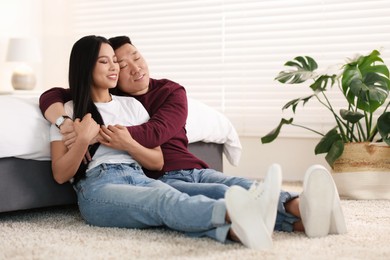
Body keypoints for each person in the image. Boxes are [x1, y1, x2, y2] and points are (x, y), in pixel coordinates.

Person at [41, 35, 347, 238]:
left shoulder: (138, 103)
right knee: (168, 197)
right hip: (104, 182)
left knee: (218, 189)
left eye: (120, 60)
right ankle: (241, 218)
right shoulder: (71, 110)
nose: (121, 68)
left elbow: (156, 146)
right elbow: (59, 169)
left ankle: (299, 214)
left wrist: (110, 138)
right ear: (88, 68)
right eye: (108, 62)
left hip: (146, 172)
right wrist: (78, 133)